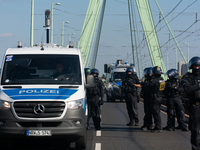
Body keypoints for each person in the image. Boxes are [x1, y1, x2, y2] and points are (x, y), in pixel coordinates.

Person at [181, 56, 200, 150]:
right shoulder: (187, 77)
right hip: (195, 106)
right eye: (195, 66)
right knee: (195, 130)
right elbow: (187, 89)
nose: (197, 68)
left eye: (198, 66)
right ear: (191, 67)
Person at [149, 66, 165, 132]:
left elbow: (148, 86)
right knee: (157, 112)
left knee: (156, 112)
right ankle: (158, 126)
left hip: (155, 97)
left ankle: (158, 127)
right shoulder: (162, 80)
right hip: (160, 97)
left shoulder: (154, 80)